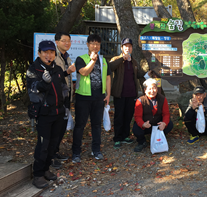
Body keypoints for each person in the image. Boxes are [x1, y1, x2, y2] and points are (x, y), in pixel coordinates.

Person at [26, 40, 68, 188]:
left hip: (58, 112)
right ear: (39, 53)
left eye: (51, 52)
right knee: (43, 145)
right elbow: (33, 90)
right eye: (45, 52)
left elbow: (63, 88)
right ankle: (37, 175)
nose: (48, 55)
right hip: (44, 114)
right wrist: (43, 83)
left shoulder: (56, 69)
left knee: (53, 144)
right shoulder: (33, 69)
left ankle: (45, 169)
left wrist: (65, 105)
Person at [72, 34, 111, 162]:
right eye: (93, 43)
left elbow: (107, 77)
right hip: (83, 97)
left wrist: (108, 94)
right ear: (87, 44)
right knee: (80, 125)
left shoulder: (103, 60)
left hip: (99, 98)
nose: (95, 46)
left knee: (96, 125)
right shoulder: (80, 59)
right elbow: (83, 72)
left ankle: (96, 150)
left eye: (98, 44)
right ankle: (76, 153)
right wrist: (93, 60)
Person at [109, 37, 151, 149]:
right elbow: (110, 67)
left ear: (132, 48)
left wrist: (148, 74)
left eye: (130, 46)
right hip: (119, 93)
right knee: (119, 116)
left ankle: (125, 136)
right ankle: (117, 138)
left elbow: (137, 75)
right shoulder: (116, 59)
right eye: (126, 46)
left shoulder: (134, 62)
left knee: (128, 116)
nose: (128, 48)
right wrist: (122, 58)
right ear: (122, 47)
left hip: (132, 93)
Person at [53, 32, 76, 164]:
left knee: (61, 126)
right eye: (63, 40)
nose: (66, 43)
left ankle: (55, 151)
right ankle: (51, 155)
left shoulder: (66, 57)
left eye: (68, 41)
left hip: (65, 97)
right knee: (55, 126)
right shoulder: (54, 56)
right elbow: (54, 77)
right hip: (56, 98)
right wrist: (67, 72)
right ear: (57, 42)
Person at [133, 78, 174, 152]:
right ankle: (142, 142)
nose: (152, 91)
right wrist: (143, 124)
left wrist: (164, 123)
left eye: (154, 88)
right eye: (150, 88)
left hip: (157, 124)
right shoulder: (140, 100)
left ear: (157, 89)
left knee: (169, 124)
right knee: (136, 128)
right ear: (145, 90)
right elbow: (137, 117)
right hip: (146, 125)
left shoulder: (162, 99)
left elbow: (166, 114)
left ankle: (160, 138)